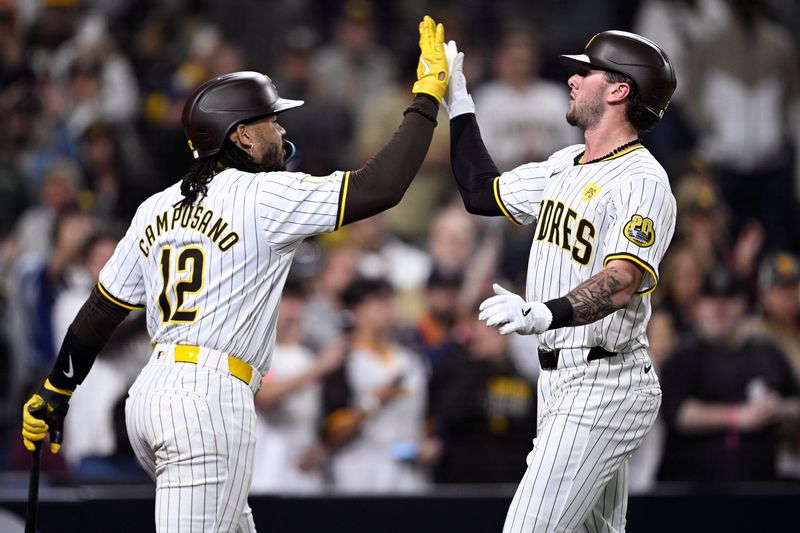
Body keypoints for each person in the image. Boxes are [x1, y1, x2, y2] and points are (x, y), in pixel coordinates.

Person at [21, 15, 450, 532]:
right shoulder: (265, 195)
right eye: (273, 120)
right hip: (207, 401)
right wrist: (426, 98)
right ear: (243, 136)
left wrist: (56, 389)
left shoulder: (155, 207)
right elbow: (379, 188)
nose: (283, 129)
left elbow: (101, 311)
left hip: (152, 395)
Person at [443, 30, 677, 532]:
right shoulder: (563, 164)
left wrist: (543, 311)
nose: (571, 78)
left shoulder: (643, 181)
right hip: (559, 381)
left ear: (618, 91)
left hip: (606, 382)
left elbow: (621, 281)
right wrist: (459, 102)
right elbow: (482, 194)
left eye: (586, 71)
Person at [658, 266, 800, 483]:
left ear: (743, 304)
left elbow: (795, 402)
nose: (719, 309)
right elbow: (675, 412)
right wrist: (736, 416)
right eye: (711, 300)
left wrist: (778, 409)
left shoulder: (768, 352)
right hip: (692, 489)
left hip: (761, 486)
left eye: (728, 299)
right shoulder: (682, 355)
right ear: (698, 306)